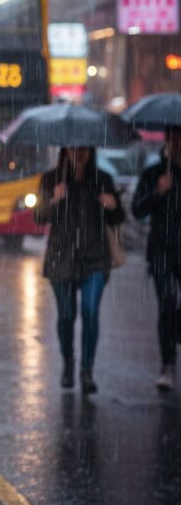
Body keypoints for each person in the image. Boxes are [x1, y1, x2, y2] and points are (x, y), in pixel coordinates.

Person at [35, 146, 124, 394]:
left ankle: (86, 370)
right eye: (74, 149)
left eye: (83, 149)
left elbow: (118, 217)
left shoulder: (102, 179)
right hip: (61, 259)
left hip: (95, 258)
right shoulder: (52, 179)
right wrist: (54, 200)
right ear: (65, 151)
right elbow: (38, 217)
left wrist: (112, 205)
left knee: (90, 312)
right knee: (66, 315)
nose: (79, 154)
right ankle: (68, 362)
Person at [132, 125, 181, 391]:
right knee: (167, 300)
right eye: (174, 138)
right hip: (161, 248)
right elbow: (137, 209)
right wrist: (158, 192)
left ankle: (175, 332)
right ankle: (168, 363)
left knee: (174, 312)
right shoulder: (154, 173)